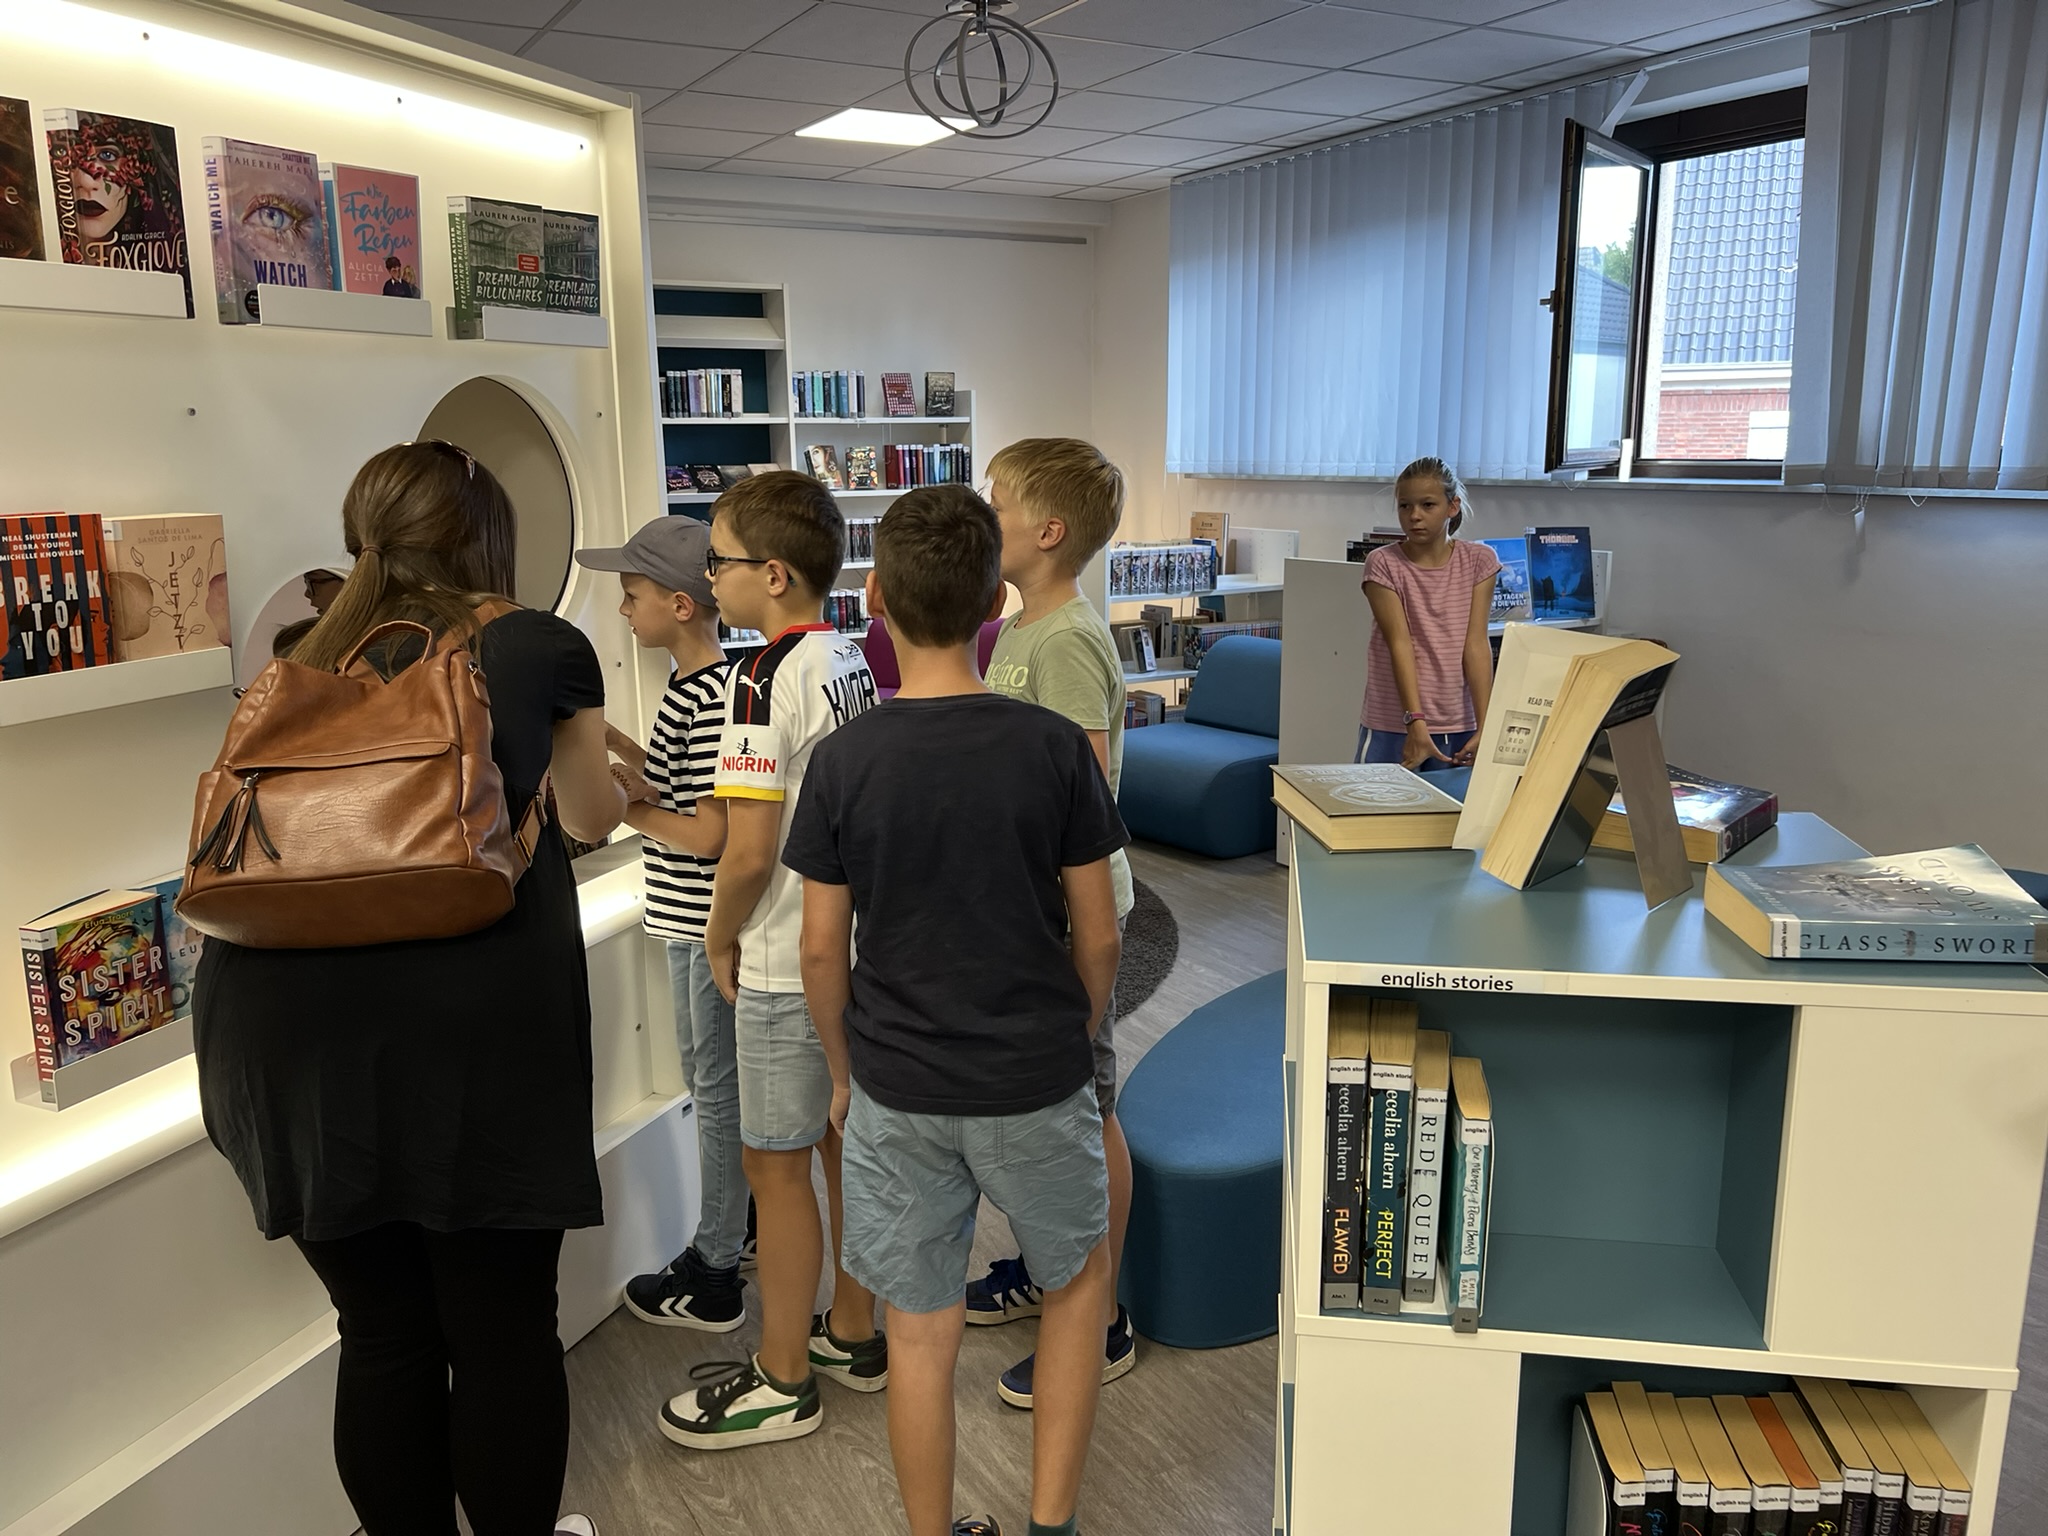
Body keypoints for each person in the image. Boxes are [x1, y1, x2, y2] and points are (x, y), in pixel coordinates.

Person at [192, 441, 625, 1536]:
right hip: (471, 1031)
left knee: (382, 1332)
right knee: (501, 1330)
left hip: (275, 1035)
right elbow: (588, 816)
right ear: (488, 538)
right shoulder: (534, 644)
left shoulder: (297, 657)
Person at [784, 484, 1125, 1536]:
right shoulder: (1052, 747)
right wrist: (1075, 1033)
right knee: (1078, 1287)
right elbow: (1100, 933)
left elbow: (819, 949)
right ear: (991, 602)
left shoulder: (843, 761)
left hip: (898, 1085)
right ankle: (1051, 1524)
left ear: (875, 599)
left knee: (919, 1330)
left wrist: (843, 1072)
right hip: (1035, 1075)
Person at [658, 471, 883, 1450]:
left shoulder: (757, 680)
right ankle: (853, 1331)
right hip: (856, 949)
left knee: (773, 1165)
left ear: (775, 574)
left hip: (788, 959)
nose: (709, 577)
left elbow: (747, 852)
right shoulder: (851, 657)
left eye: (719, 561)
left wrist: (718, 934)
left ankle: (784, 1375)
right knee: (841, 1144)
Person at [970, 438, 1138, 1408]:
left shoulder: (1066, 639)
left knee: (1087, 1110)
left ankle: (1100, 1316)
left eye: (996, 504)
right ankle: (1053, 1273)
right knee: (1058, 1109)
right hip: (1031, 909)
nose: (983, 517)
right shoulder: (1018, 628)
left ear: (1048, 531)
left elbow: (1081, 790)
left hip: (1073, 914)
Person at [575, 516, 752, 1331]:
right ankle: (737, 1230)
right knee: (717, 1087)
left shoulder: (701, 696)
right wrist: (618, 752)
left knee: (713, 1092)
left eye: (632, 595)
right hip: (697, 921)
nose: (622, 610)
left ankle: (716, 1271)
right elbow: (690, 786)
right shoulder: (713, 686)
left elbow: (709, 833)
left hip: (699, 922)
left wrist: (622, 808)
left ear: (680, 605)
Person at [1356, 455, 1498, 772]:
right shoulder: (1383, 563)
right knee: (1378, 803)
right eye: (1405, 506)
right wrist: (1415, 722)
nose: (1414, 516)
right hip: (1394, 722)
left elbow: (1476, 644)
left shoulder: (1480, 561)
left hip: (1460, 722)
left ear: (1452, 506)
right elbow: (1400, 643)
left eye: (1428, 505)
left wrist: (1486, 724)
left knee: (1454, 804)